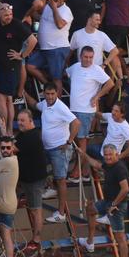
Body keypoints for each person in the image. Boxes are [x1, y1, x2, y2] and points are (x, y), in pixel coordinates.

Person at [78, 143, 129, 257]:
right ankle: (90, 242)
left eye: (110, 155)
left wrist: (114, 204)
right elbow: (96, 165)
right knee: (91, 209)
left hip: (117, 205)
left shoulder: (119, 168)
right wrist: (83, 154)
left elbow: (125, 189)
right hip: (107, 202)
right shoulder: (108, 165)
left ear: (116, 155)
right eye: (106, 155)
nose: (107, 157)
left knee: (120, 238)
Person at [66, 46, 114, 181]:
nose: (88, 60)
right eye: (86, 57)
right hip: (73, 109)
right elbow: (66, 74)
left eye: (91, 57)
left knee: (81, 140)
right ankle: (85, 170)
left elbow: (110, 83)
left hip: (86, 111)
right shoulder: (75, 67)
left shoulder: (96, 69)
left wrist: (97, 96)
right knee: (79, 140)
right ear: (80, 56)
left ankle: (77, 172)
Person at [0, 3, 37, 137]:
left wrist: (22, 55)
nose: (8, 17)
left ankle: (4, 130)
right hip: (2, 66)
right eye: (6, 15)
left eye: (10, 15)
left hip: (11, 67)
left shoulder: (16, 25)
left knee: (0, 98)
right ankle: (10, 130)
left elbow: (33, 40)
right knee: (8, 99)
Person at [39, 83, 80, 223]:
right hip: (48, 148)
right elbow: (35, 105)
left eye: (52, 94)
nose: (50, 97)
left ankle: (61, 213)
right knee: (47, 172)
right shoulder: (44, 103)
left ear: (57, 94)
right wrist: (22, 94)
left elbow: (76, 123)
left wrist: (69, 142)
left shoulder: (61, 107)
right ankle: (52, 188)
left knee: (61, 180)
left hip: (60, 149)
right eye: (48, 94)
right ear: (44, 93)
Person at [13, 109, 48, 256]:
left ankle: (36, 241)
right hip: (26, 179)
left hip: (34, 181)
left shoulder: (31, 137)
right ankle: (22, 197)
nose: (19, 123)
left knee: (36, 210)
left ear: (31, 121)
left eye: (22, 121)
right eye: (18, 120)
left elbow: (10, 150)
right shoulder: (23, 134)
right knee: (33, 207)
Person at [27, 0, 73, 94]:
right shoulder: (47, 7)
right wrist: (28, 14)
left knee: (56, 78)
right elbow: (39, 17)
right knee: (29, 66)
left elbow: (60, 24)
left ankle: (57, 105)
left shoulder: (66, 10)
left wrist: (54, 8)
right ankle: (49, 86)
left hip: (57, 48)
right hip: (44, 48)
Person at [69, 11, 119, 76]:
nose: (99, 22)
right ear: (89, 19)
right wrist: (66, 65)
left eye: (99, 20)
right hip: (81, 72)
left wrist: (104, 64)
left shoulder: (102, 35)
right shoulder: (77, 34)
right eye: (97, 20)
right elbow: (70, 51)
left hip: (97, 72)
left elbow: (115, 51)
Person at [0, 136, 19, 257]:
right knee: (6, 235)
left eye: (8, 148)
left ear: (12, 148)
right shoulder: (11, 159)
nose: (5, 150)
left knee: (6, 236)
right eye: (2, 148)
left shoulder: (8, 161)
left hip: (5, 203)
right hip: (8, 202)